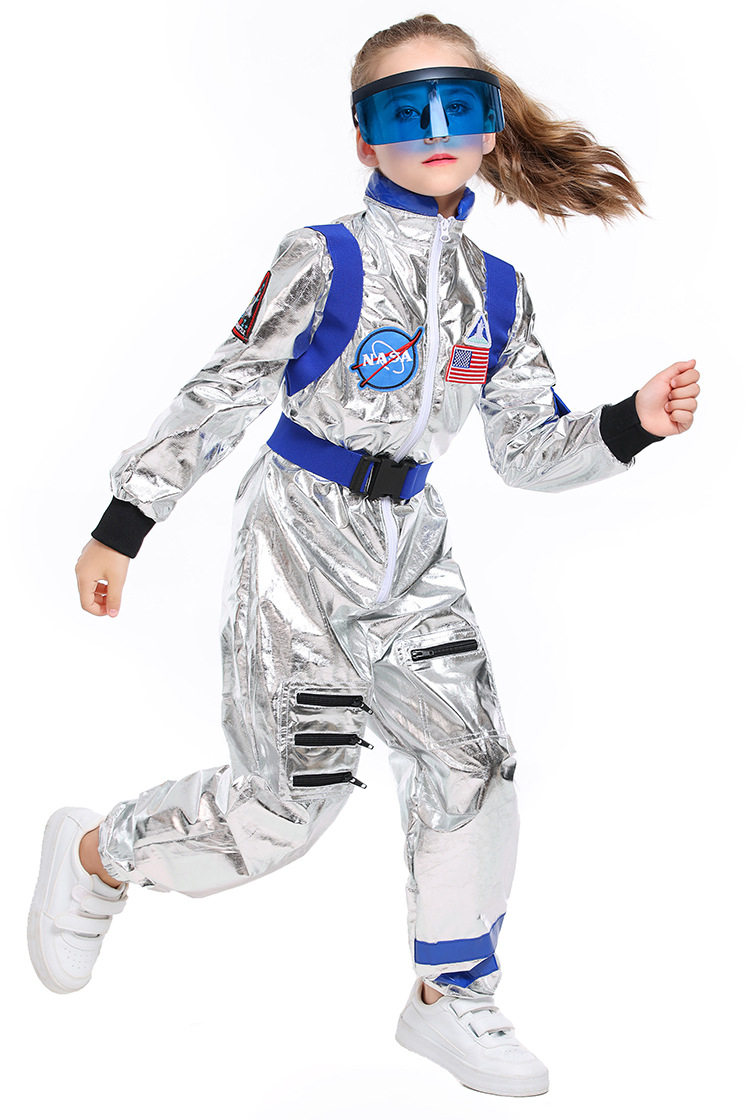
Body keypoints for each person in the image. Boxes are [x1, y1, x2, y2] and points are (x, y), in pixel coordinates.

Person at [27, 12, 700, 1098]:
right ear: (362, 136)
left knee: (473, 759)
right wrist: (125, 521)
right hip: (299, 538)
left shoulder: (498, 289)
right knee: (282, 806)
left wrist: (630, 424)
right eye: (401, 109)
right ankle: (101, 851)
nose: (433, 129)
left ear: (487, 125)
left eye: (458, 105)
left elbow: (526, 450)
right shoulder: (324, 255)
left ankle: (450, 994)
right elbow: (229, 385)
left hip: (410, 550)